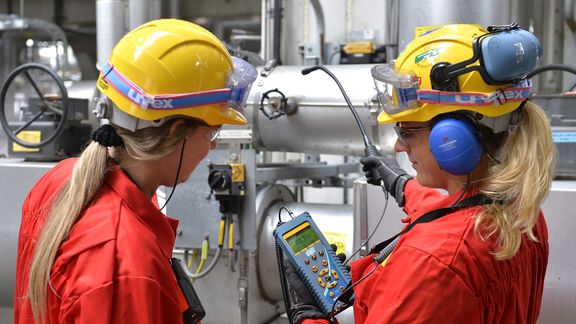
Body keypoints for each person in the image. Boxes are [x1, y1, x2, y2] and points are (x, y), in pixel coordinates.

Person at [286, 24, 555, 323]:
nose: (399, 146)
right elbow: (459, 216)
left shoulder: (430, 263)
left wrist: (307, 315)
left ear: (452, 136)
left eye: (406, 131)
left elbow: (447, 242)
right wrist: (403, 186)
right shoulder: (521, 211)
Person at [14, 19, 255, 323]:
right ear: (175, 131)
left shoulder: (60, 180)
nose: (210, 147)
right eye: (211, 133)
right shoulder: (127, 265)